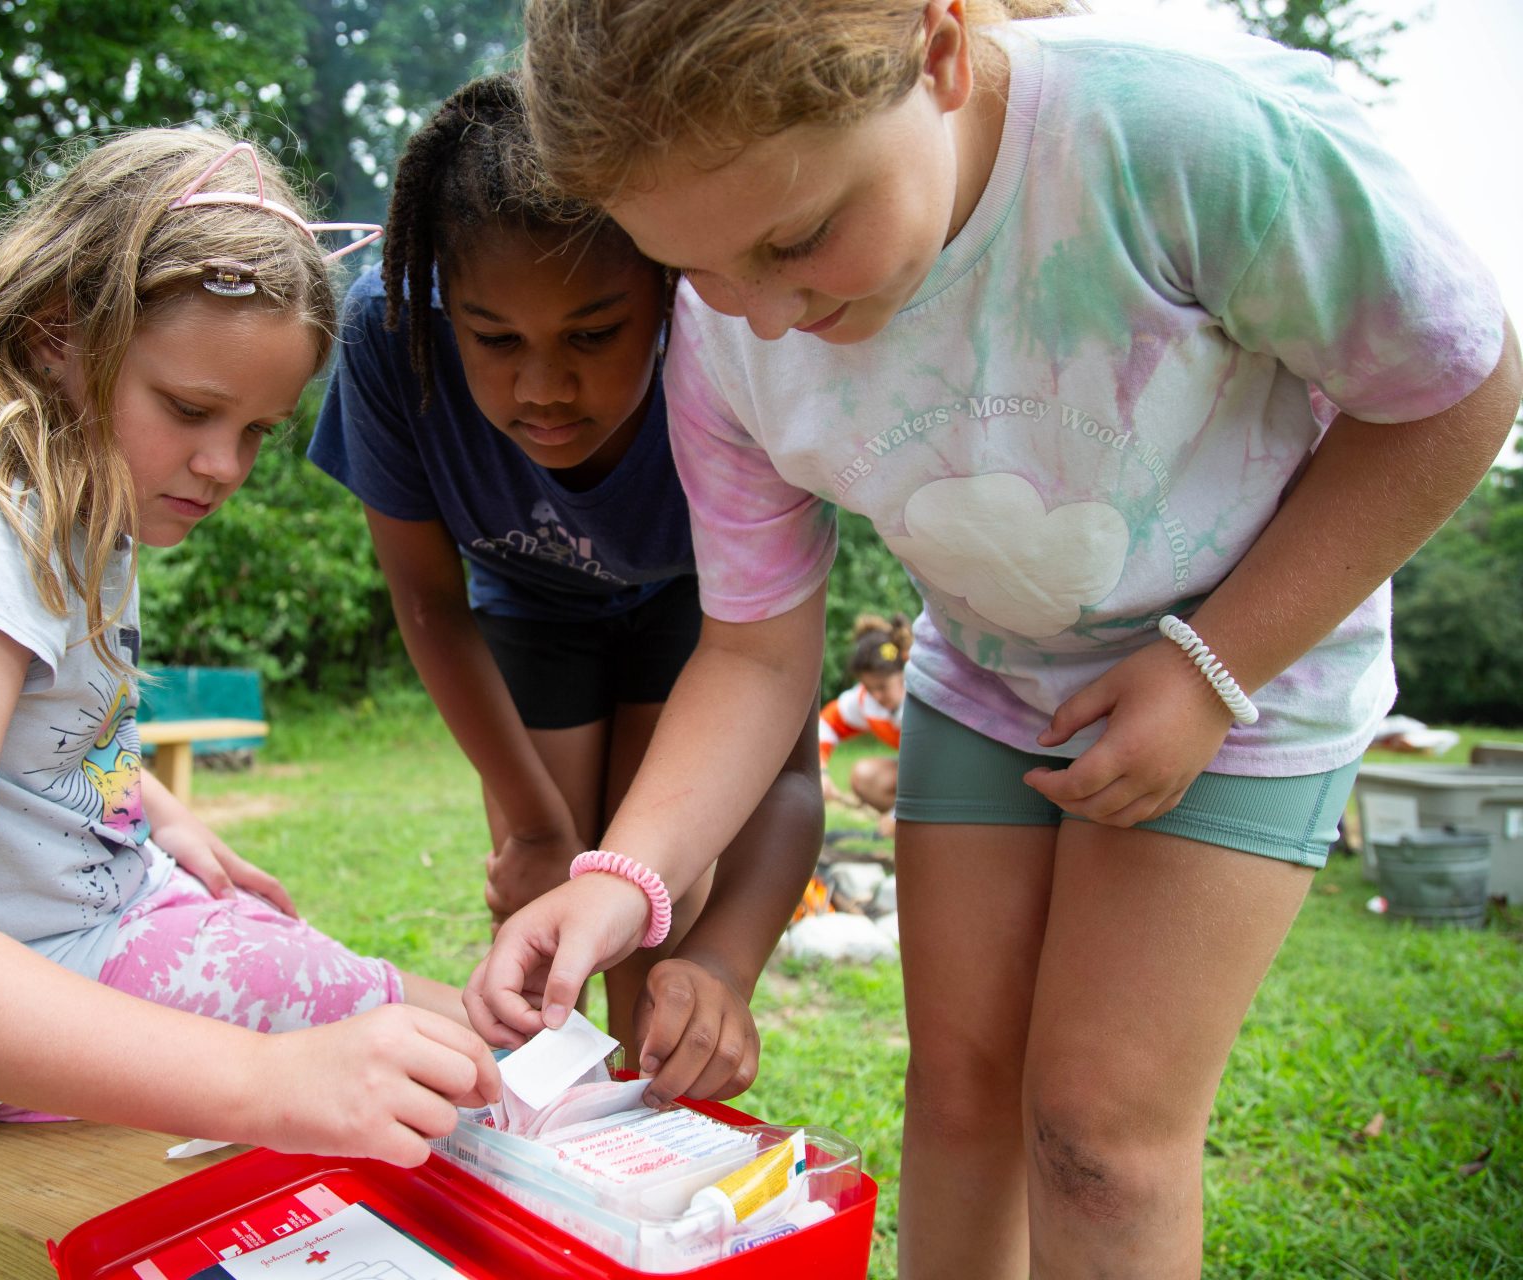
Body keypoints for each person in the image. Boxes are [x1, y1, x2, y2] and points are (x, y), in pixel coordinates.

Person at [476, 2, 1523, 1273]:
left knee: (1099, 1134)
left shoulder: (1181, 139)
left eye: (799, 237)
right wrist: (619, 878)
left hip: (1251, 665)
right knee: (962, 1096)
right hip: (987, 676)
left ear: (941, 46)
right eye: (694, 268)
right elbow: (754, 653)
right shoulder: (725, 335)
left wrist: (1211, 666)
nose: (761, 316)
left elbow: (1459, 381)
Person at [0, 128, 498, 1168]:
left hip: (79, 925)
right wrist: (268, 1083)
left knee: (369, 1007)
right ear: (57, 328)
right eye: (192, 410)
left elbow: (32, 733)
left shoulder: (62, 488)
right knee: (426, 1046)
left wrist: (154, 807)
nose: (224, 463)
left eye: (255, 429)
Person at [309, 75, 821, 1102]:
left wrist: (720, 968)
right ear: (441, 301)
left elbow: (783, 765)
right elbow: (427, 599)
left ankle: (647, 1143)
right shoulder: (387, 336)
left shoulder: (737, 335)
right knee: (543, 912)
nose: (542, 387)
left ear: (673, 292)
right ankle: (544, 1150)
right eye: (494, 340)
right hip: (523, 602)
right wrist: (538, 825)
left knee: (653, 906)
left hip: (696, 603)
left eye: (593, 334)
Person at [820, 613, 913, 838]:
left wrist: (896, 814)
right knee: (865, 775)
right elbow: (826, 724)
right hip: (920, 772)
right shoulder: (867, 701)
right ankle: (914, 828)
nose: (876, 696)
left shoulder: (922, 699)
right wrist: (820, 773)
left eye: (882, 686)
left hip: (951, 776)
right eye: (870, 688)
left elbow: (935, 768)